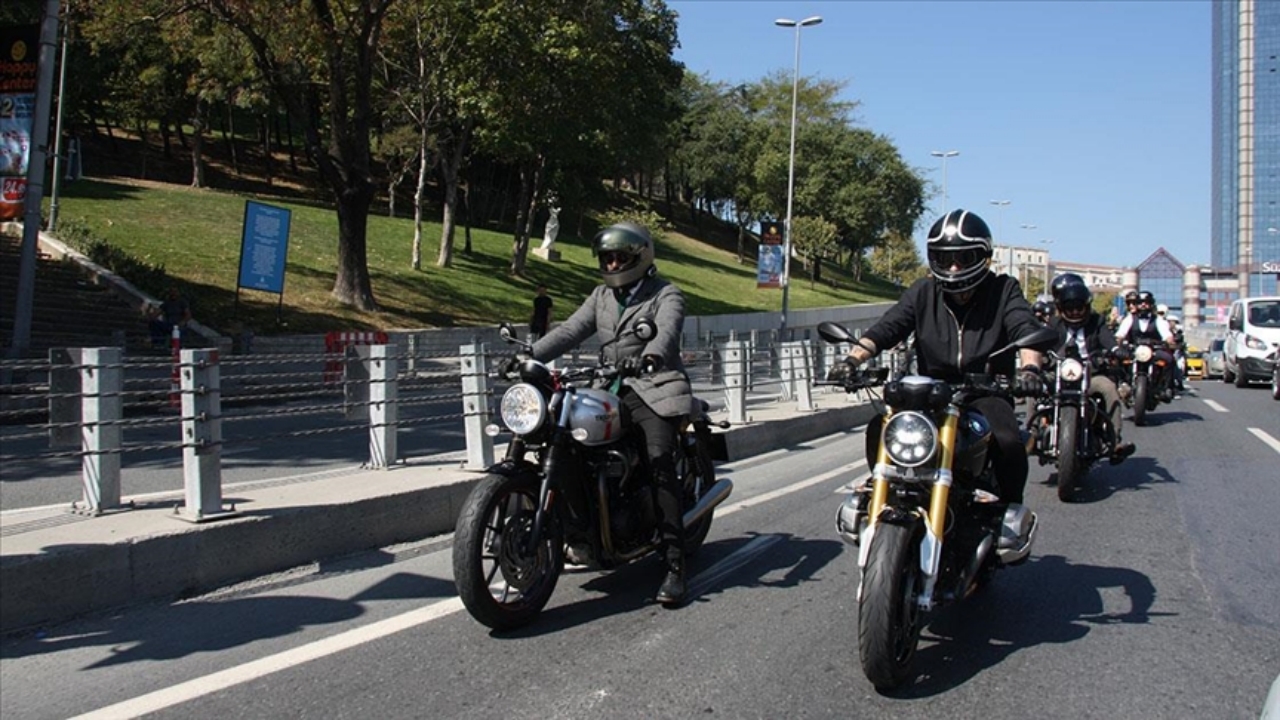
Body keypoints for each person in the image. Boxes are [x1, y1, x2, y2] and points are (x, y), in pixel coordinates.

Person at [827, 209, 1045, 541]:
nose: (954, 267)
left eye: (963, 258)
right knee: (881, 428)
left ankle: (1006, 515)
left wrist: (1029, 368)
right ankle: (882, 494)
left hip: (985, 391)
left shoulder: (1003, 290)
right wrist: (852, 361)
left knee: (1008, 439)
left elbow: (1023, 327)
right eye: (945, 259)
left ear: (982, 257)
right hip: (931, 393)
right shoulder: (923, 292)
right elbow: (888, 327)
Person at [512, 221, 694, 606]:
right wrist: (528, 355)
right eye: (607, 258)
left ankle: (676, 565)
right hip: (606, 385)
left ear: (640, 257)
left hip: (653, 385)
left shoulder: (666, 293)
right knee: (562, 436)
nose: (612, 264)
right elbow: (570, 330)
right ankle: (580, 529)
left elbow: (667, 332)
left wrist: (650, 356)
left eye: (619, 258)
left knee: (659, 458)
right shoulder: (600, 296)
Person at [1044, 273, 1135, 464]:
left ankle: (1115, 440)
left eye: (1079, 308)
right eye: (1070, 308)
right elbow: (1042, 342)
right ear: (1061, 309)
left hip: (1090, 374)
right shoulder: (1053, 324)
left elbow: (1107, 339)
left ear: (1087, 307)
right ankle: (1031, 433)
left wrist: (1117, 350)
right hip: (1059, 372)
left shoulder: (1097, 321)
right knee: (1036, 385)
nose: (1075, 312)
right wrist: (1039, 356)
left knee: (1109, 388)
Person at [1115, 290, 1178, 399]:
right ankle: (1122, 383)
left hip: (1153, 350)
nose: (1143, 305)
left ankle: (1166, 387)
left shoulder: (1158, 319)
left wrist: (1169, 340)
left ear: (1151, 304)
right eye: (1140, 302)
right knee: (1116, 358)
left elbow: (1167, 334)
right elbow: (1121, 333)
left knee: (1169, 359)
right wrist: (1118, 341)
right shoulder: (1130, 318)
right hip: (1134, 349)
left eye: (1146, 302)